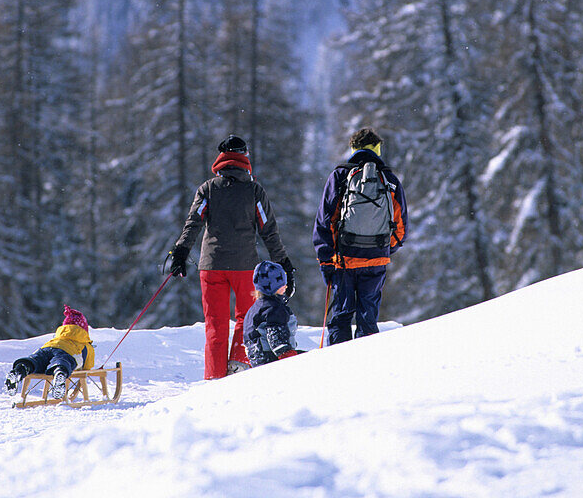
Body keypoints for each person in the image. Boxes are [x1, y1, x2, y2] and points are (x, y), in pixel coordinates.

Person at [168, 134, 295, 379]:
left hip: (211, 267)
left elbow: (193, 223)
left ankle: (214, 376)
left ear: (221, 159)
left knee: (215, 324)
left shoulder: (208, 189)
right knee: (246, 320)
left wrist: (181, 252)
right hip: (245, 267)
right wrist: (283, 263)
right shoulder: (254, 191)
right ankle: (238, 364)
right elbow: (268, 230)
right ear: (245, 157)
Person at [313, 128, 407, 345]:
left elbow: (324, 222)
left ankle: (338, 367)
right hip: (376, 259)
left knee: (341, 318)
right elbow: (402, 229)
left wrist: (326, 260)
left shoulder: (339, 176)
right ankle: (366, 368)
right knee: (368, 318)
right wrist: (382, 247)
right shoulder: (389, 179)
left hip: (344, 260)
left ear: (353, 149)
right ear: (377, 149)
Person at [4, 305, 95, 397]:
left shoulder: (58, 337)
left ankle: (21, 369)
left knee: (36, 360)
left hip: (47, 348)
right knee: (62, 361)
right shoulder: (84, 343)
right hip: (66, 352)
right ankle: (60, 372)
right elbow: (88, 366)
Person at [243, 261, 299, 367]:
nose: (286, 286)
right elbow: (276, 337)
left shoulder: (255, 308)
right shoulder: (274, 309)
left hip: (258, 359)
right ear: (274, 286)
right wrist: (287, 354)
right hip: (272, 359)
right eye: (283, 283)